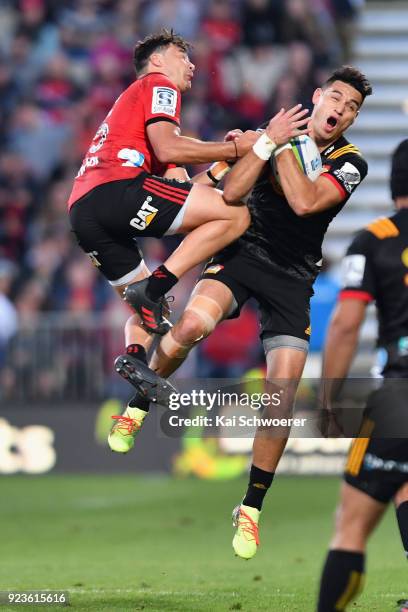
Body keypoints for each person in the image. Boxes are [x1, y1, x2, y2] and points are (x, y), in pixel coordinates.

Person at [109, 65, 372, 561]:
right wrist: (263, 145)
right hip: (242, 254)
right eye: (336, 98)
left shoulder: (352, 161)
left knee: (281, 396)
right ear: (317, 97)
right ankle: (139, 405)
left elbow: (303, 200)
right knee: (190, 324)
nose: (341, 109)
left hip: (293, 277)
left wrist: (277, 145)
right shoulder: (272, 135)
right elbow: (231, 194)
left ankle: (250, 509)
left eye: (353, 107)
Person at [68, 29, 262, 392]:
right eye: (182, 56)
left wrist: (223, 166)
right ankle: (158, 284)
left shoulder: (136, 115)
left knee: (149, 311)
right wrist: (234, 151)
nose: (191, 64)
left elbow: (183, 192)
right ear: (157, 60)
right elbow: (170, 148)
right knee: (236, 216)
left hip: (84, 211)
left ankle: (135, 357)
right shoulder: (158, 85)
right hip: (116, 189)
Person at [317, 139, 408, 612]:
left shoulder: (374, 239)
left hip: (400, 396)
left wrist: (329, 399)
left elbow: (347, 323)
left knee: (350, 528)